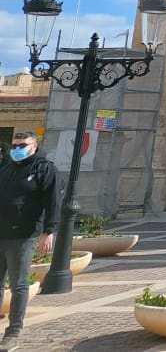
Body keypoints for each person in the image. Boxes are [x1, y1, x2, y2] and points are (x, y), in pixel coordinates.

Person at [0, 132, 58, 350]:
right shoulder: (6, 169)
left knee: (19, 284)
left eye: (22, 145)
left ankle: (13, 332)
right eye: (14, 145)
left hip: (23, 235)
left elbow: (53, 200)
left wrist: (49, 230)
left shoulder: (43, 169)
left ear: (34, 147)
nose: (17, 149)